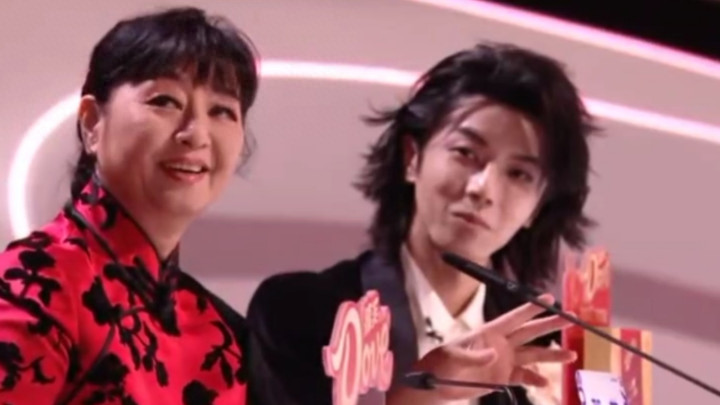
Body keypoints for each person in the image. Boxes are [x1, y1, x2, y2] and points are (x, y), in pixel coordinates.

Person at [247, 42, 597, 405]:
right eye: (465, 153)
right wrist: (416, 396)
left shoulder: (554, 349)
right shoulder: (301, 312)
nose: (483, 189)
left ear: (538, 206)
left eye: (519, 174)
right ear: (413, 157)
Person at [0, 7, 266, 405]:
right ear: (92, 122)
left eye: (222, 111)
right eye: (165, 101)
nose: (196, 134)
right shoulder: (37, 284)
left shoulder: (222, 334)